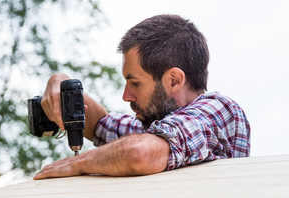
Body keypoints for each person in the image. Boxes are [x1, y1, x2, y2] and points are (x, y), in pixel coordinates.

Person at [34, 14, 250, 180]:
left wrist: (78, 162)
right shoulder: (156, 128)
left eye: (135, 83)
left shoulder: (219, 110)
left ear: (174, 80)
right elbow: (100, 124)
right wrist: (62, 84)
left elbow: (139, 154)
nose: (126, 96)